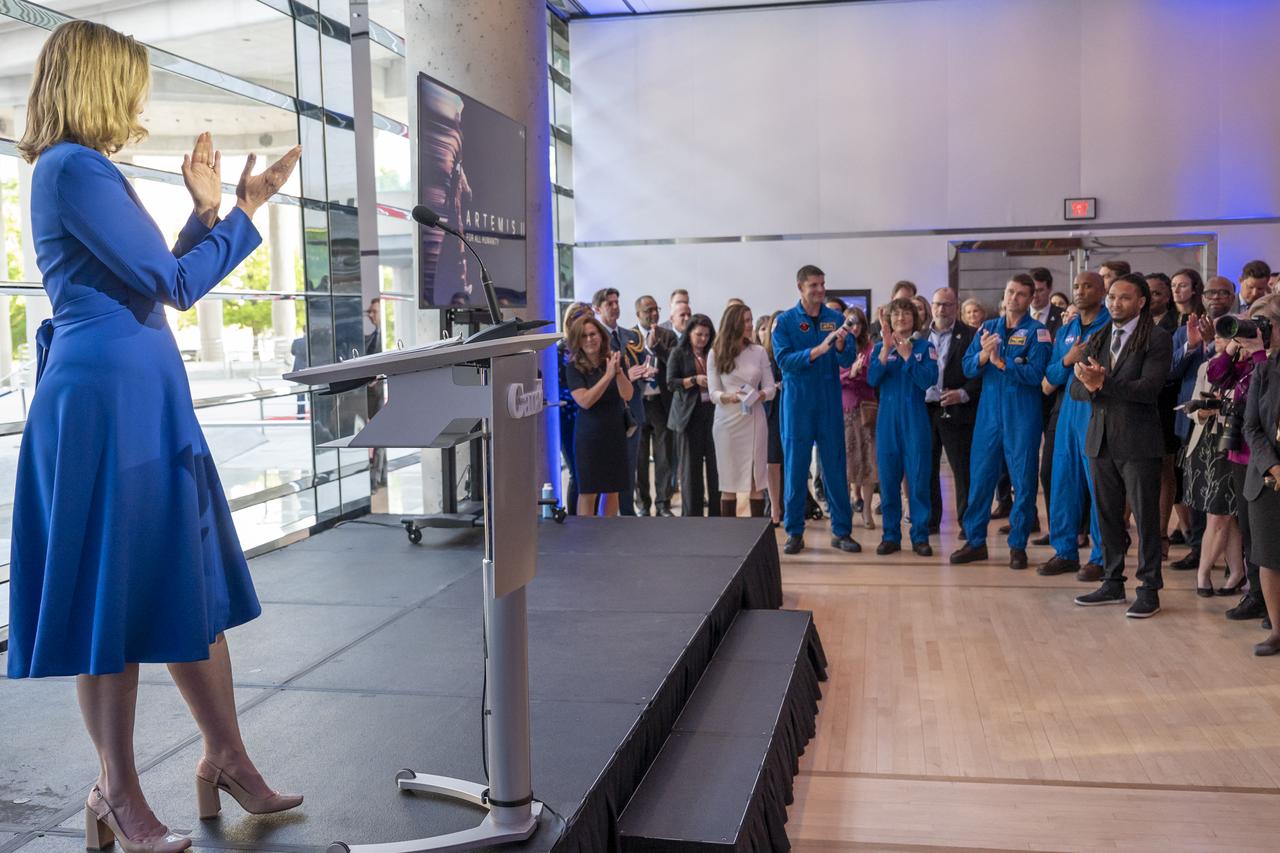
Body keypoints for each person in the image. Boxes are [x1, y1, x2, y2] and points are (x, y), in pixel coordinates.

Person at [6, 21, 303, 852]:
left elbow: (150, 276)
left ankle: (225, 756)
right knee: (116, 604)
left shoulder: (81, 169)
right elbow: (174, 284)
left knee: (184, 584)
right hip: (108, 404)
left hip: (137, 395)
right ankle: (116, 790)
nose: (139, 100)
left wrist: (209, 214)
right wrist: (240, 212)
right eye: (131, 83)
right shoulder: (71, 166)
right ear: (99, 81)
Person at [1071, 273, 1174, 617]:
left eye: (1124, 298)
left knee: (1145, 520)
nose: (1115, 303)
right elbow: (1075, 388)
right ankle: (1112, 582)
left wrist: (1103, 383)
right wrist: (1092, 385)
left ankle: (1149, 589)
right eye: (1112, 297)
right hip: (1100, 440)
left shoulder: (1156, 338)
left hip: (1138, 441)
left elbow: (1149, 389)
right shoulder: (1099, 336)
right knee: (1107, 517)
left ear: (1141, 302)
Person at [949, 275, 1050, 570]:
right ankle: (975, 541)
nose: (1013, 298)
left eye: (1021, 294)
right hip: (989, 415)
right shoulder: (988, 328)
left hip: (1022, 415)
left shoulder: (1038, 332)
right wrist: (983, 355)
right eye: (1010, 292)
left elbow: (1037, 374)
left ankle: (1018, 544)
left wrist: (1002, 363)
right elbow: (967, 367)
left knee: (1023, 480)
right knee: (981, 478)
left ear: (1030, 299)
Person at [773, 265, 861, 554]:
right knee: (796, 469)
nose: (820, 290)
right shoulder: (785, 322)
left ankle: (842, 531)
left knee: (834, 466)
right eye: (814, 285)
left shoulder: (835, 319)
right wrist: (818, 351)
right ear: (800, 287)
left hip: (828, 402)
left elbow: (848, 359)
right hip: (797, 404)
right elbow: (784, 361)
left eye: (823, 284)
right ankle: (794, 532)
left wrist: (840, 346)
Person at [1037, 272, 1110, 579]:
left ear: (1102, 291)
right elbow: (1050, 378)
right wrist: (1068, 359)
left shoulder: (1110, 326)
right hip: (1067, 411)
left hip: (1097, 410)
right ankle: (1065, 551)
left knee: (1098, 487)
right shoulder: (1067, 329)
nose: (1080, 291)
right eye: (1077, 286)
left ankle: (1101, 556)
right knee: (1063, 482)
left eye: (1088, 286)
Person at [1168, 274, 1236, 575]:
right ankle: (1198, 549)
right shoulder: (1185, 329)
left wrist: (1213, 345)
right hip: (1194, 421)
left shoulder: (1242, 328)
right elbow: (1171, 372)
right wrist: (1193, 345)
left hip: (1230, 424)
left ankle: (1235, 561)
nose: (1216, 297)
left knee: (1228, 494)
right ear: (1202, 296)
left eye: (1223, 292)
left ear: (1232, 296)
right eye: (1211, 293)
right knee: (1195, 489)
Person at [868, 298, 939, 555]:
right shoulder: (880, 347)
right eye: (896, 314)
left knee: (919, 480)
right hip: (887, 421)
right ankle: (890, 536)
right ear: (889, 319)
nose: (901, 318)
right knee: (888, 482)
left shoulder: (925, 347)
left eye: (906, 313)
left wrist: (909, 357)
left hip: (915, 419)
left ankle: (920, 536)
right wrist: (886, 349)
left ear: (914, 318)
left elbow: (928, 380)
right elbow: (872, 378)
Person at [1182, 341, 1246, 597]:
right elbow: (1191, 408)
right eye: (1219, 335)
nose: (1222, 340)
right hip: (1206, 444)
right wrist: (1203, 412)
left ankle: (1203, 574)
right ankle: (1237, 572)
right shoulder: (1207, 366)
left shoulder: (1250, 367)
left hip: (1234, 443)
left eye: (1228, 335)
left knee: (1220, 515)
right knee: (1223, 515)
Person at [708, 303, 776, 518]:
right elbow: (713, 393)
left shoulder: (758, 352)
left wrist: (759, 395)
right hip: (727, 422)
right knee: (728, 481)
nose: (750, 325)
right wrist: (730, 397)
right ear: (733, 323)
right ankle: (729, 532)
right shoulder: (716, 353)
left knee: (756, 479)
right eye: (746, 320)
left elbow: (771, 388)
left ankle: (757, 532)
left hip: (754, 418)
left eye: (750, 320)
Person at [565, 315, 634, 516]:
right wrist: (607, 376)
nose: (589, 339)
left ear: (601, 336)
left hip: (614, 431)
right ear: (578, 341)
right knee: (588, 491)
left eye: (593, 334)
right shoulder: (574, 367)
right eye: (584, 336)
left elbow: (627, 394)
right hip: (589, 435)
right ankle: (586, 532)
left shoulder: (614, 360)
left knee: (612, 489)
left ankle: (608, 531)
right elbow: (585, 400)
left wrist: (618, 373)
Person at [1241, 301, 1280, 654]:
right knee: (1268, 556)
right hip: (1267, 477)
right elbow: (1251, 426)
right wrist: (1272, 465)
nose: (1259, 331)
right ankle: (1277, 630)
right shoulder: (1263, 369)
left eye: (1266, 324)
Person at [925, 287, 980, 537]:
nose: (942, 309)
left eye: (947, 304)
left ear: (956, 308)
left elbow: (980, 374)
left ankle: (967, 523)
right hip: (926, 410)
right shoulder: (919, 337)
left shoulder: (970, 335)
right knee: (927, 468)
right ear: (931, 306)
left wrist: (963, 393)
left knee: (962, 469)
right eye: (938, 304)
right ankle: (930, 521)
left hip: (958, 410)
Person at [593, 287, 646, 515]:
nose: (615, 307)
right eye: (609, 304)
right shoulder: (594, 339)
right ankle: (606, 518)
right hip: (608, 412)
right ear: (597, 309)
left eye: (617, 302)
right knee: (606, 472)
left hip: (632, 410)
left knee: (629, 467)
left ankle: (627, 513)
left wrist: (642, 374)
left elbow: (638, 366)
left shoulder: (630, 336)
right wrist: (625, 376)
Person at [668, 314, 719, 516]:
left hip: (712, 414)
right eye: (699, 334)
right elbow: (671, 382)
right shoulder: (678, 353)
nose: (703, 339)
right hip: (688, 417)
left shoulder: (713, 353)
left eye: (707, 335)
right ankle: (692, 517)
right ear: (689, 333)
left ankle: (717, 514)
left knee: (715, 468)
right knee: (690, 471)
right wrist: (694, 380)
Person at [633, 295, 678, 516]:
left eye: (655, 309)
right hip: (639, 404)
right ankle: (643, 504)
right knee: (639, 459)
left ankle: (663, 504)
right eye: (647, 310)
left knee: (664, 457)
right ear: (638, 314)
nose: (653, 314)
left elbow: (675, 363)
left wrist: (658, 347)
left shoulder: (668, 336)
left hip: (661, 403)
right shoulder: (629, 337)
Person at [1029, 268, 1065, 542]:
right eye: (1031, 290)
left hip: (1055, 398)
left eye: (1040, 290)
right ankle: (1029, 519)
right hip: (1027, 398)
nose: (1035, 295)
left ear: (1049, 290)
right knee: (1025, 463)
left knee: (1053, 466)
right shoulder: (1017, 319)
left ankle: (1059, 528)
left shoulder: (1061, 319)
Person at [839, 307, 878, 530]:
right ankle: (844, 511)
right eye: (849, 323)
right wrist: (850, 374)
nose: (854, 328)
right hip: (843, 410)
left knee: (868, 462)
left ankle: (866, 510)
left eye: (858, 323)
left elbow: (874, 376)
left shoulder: (870, 348)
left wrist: (857, 374)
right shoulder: (838, 345)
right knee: (844, 463)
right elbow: (832, 377)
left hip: (866, 410)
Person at [557, 302, 592, 514]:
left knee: (591, 474)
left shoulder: (591, 348)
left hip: (591, 417)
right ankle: (573, 520)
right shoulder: (561, 350)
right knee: (577, 474)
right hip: (568, 417)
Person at [760, 313, 786, 527]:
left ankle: (790, 506)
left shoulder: (790, 351)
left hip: (791, 408)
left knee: (791, 462)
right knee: (772, 461)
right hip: (771, 411)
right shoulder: (763, 355)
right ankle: (774, 508)